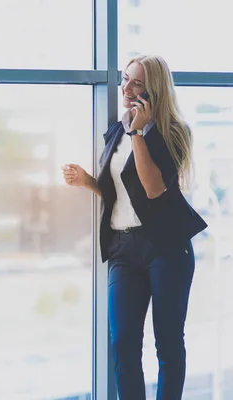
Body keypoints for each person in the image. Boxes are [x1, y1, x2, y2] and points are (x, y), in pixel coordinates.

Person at [62, 55, 208, 400]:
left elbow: (153, 189)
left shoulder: (174, 132)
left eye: (137, 83)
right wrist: (88, 181)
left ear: (154, 90)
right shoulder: (117, 129)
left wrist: (138, 133)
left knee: (168, 342)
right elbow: (122, 192)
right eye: (126, 79)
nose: (126, 89)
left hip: (166, 248)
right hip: (124, 248)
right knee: (123, 341)